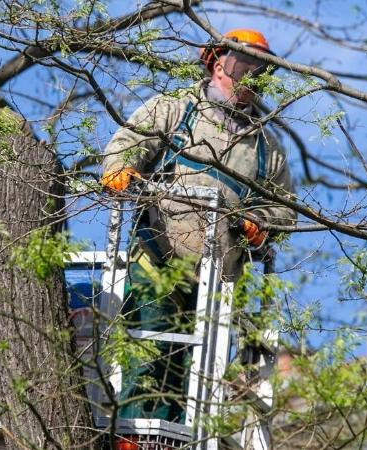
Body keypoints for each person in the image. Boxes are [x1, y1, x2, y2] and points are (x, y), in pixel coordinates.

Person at [100, 29, 296, 422]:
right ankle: (135, 437)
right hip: (157, 259)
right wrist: (120, 170)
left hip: (217, 282)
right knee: (148, 350)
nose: (253, 76)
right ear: (217, 63)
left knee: (198, 373)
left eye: (261, 70)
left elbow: (283, 210)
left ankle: (173, 438)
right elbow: (126, 144)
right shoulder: (175, 109)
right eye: (245, 65)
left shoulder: (266, 147)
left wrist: (261, 224)